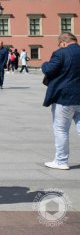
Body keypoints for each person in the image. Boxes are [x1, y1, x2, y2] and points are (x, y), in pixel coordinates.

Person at [42, 32, 80, 170]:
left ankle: (61, 161)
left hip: (64, 98)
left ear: (63, 42)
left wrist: (45, 64)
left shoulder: (61, 53)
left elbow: (49, 70)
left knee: (61, 130)